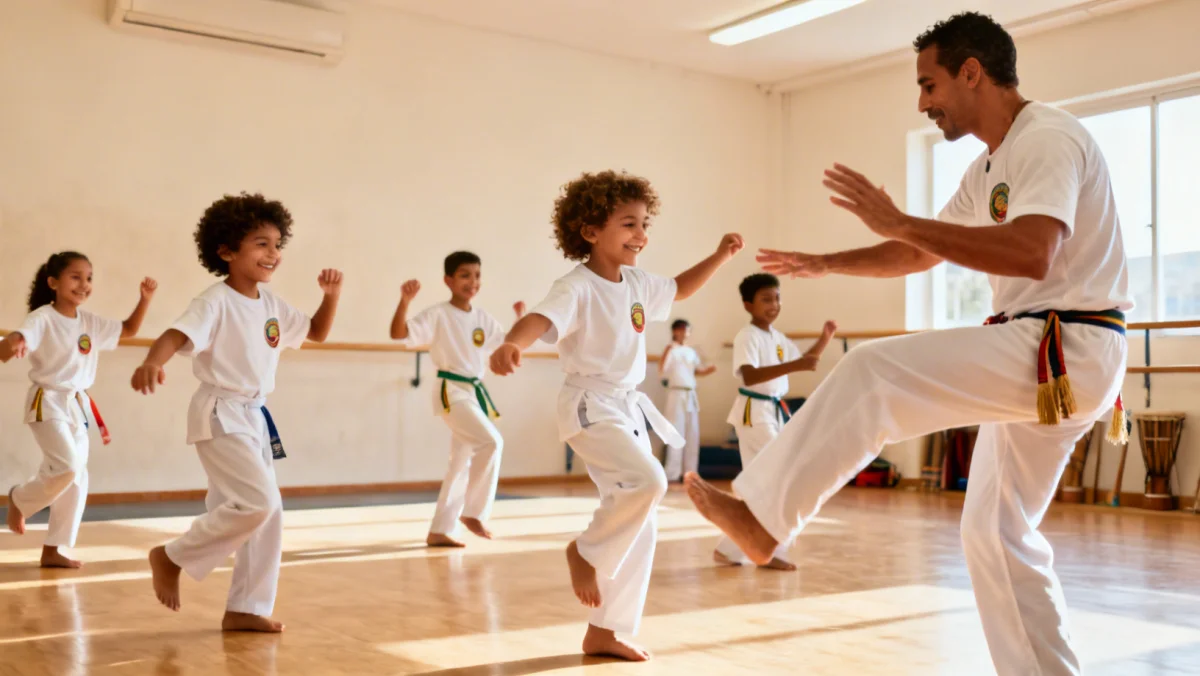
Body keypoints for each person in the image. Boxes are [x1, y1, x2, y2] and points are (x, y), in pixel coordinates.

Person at [686, 12, 1130, 676]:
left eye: (929, 85)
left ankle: (764, 517)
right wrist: (829, 262)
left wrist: (898, 217)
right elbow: (914, 250)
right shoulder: (989, 169)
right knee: (995, 534)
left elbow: (1033, 253)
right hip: (1049, 360)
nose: (923, 103)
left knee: (873, 371)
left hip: (1065, 348)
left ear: (971, 72)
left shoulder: (1048, 139)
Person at [490, 169, 743, 661]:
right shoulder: (575, 287)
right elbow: (538, 319)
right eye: (629, 225)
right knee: (648, 481)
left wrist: (719, 255)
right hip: (590, 407)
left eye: (644, 224)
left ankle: (605, 630)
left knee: (642, 520)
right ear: (590, 231)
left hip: (626, 407)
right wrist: (510, 343)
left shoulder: (637, 283)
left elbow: (680, 289)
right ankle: (585, 550)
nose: (641, 236)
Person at [133, 192, 343, 632]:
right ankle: (170, 556)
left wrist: (331, 296)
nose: (273, 253)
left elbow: (318, 332)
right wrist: (153, 361)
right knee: (256, 502)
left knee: (267, 512)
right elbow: (175, 334)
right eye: (260, 244)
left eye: (276, 243)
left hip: (253, 416)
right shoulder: (215, 301)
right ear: (226, 251)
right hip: (220, 413)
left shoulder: (271, 305)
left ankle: (246, 607)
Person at [1, 252, 155, 568]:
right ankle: (19, 498)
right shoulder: (43, 317)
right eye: (75, 276)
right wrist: (13, 342)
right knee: (67, 466)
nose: (84, 284)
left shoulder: (89, 323)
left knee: (76, 477)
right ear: (53, 282)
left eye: (89, 277)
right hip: (48, 401)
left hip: (77, 404)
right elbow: (20, 336)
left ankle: (55, 548)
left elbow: (128, 329)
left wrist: (145, 299)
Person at [389, 250, 525, 547]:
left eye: (477, 276)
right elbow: (399, 333)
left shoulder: (482, 319)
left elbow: (505, 343)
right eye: (465, 275)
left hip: (473, 393)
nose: (472, 282)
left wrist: (519, 318)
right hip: (451, 391)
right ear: (448, 280)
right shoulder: (438, 314)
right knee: (491, 442)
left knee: (460, 463)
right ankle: (474, 512)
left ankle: (440, 529)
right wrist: (405, 301)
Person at [715, 273, 836, 570]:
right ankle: (769, 550)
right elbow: (750, 375)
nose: (774, 304)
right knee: (780, 476)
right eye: (766, 299)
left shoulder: (777, 338)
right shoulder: (747, 336)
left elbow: (804, 361)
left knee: (767, 481)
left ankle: (731, 548)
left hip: (774, 413)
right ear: (748, 304)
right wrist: (796, 364)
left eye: (777, 298)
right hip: (754, 414)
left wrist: (825, 339)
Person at [658, 318, 715, 482]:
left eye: (687, 330)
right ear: (675, 331)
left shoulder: (691, 352)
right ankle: (672, 473)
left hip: (691, 395)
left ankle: (690, 473)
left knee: (692, 434)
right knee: (676, 433)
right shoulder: (670, 349)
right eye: (682, 329)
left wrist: (708, 370)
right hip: (676, 394)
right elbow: (662, 370)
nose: (685, 333)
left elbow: (696, 371)